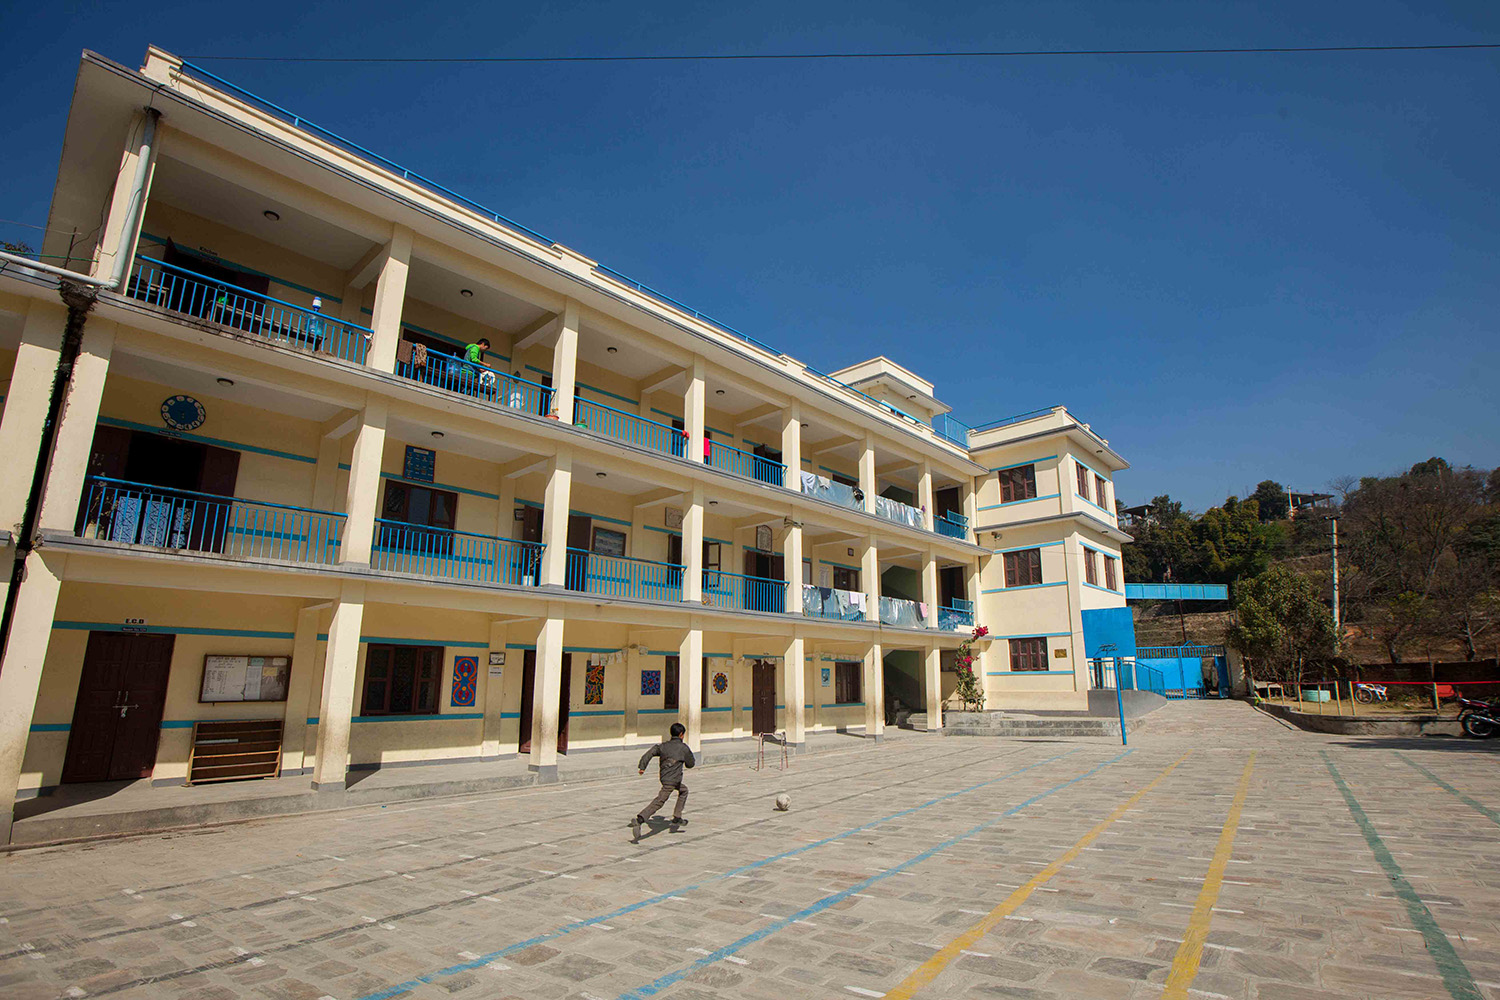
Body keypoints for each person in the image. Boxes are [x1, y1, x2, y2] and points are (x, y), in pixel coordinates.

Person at [631, 722, 694, 837]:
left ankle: (677, 817)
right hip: (672, 780)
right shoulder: (683, 748)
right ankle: (640, 819)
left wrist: (642, 767)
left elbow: (648, 754)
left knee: (684, 790)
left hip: (665, 778)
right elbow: (691, 764)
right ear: (681, 734)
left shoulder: (663, 746)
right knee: (660, 800)